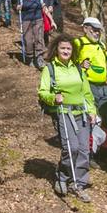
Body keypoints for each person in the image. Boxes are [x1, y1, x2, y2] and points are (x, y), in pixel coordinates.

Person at [38, 34, 97, 202]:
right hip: (63, 113)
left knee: (85, 150)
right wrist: (53, 98)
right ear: (56, 49)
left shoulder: (78, 69)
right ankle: (62, 177)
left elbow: (86, 92)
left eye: (68, 48)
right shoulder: (49, 69)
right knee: (71, 148)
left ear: (73, 51)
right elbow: (43, 92)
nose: (65, 51)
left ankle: (78, 183)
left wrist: (92, 111)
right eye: (63, 48)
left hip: (82, 114)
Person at [74, 17, 107, 152]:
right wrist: (80, 66)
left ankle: (106, 150)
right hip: (87, 86)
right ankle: (90, 152)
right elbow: (67, 66)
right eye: (94, 30)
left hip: (104, 87)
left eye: (99, 31)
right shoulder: (78, 43)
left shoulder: (102, 46)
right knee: (92, 118)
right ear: (85, 29)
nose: (97, 33)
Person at [16, 0, 51, 67]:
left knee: (39, 38)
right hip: (26, 20)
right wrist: (19, 7)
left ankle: (39, 58)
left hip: (38, 19)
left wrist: (51, 20)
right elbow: (17, 7)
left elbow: (44, 7)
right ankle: (30, 57)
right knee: (28, 40)